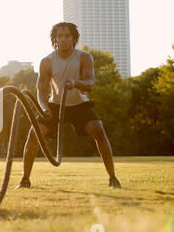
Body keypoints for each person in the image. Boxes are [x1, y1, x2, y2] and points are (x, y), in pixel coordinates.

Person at [15, 22, 122, 189]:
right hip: (55, 105)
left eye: (67, 36)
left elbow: (90, 84)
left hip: (80, 105)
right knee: (33, 134)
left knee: (98, 131)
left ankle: (113, 179)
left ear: (73, 39)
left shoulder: (84, 57)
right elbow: (41, 91)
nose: (63, 39)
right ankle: (25, 180)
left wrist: (75, 83)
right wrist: (44, 109)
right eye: (59, 36)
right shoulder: (47, 61)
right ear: (55, 39)